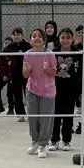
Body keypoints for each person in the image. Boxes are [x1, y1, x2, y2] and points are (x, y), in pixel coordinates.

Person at [22, 29, 58, 158]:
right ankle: (35, 141)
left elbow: (55, 73)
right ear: (31, 40)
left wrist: (47, 69)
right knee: (32, 117)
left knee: (45, 118)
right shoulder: (28, 54)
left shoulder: (49, 54)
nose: (37, 38)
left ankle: (43, 144)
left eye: (39, 36)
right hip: (32, 88)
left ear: (44, 40)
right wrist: (28, 70)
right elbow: (25, 74)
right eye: (34, 36)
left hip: (47, 90)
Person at [52, 27, 81, 151]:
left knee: (68, 116)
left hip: (71, 89)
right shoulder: (53, 52)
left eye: (68, 38)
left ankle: (66, 141)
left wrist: (80, 90)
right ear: (59, 38)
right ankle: (54, 140)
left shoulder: (78, 53)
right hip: (55, 88)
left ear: (72, 39)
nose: (65, 40)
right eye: (63, 37)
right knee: (55, 116)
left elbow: (81, 72)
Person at [1, 26, 30, 119]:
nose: (16, 36)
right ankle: (20, 114)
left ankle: (31, 112)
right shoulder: (11, 46)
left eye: (18, 34)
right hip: (15, 73)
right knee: (17, 94)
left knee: (28, 93)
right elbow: (4, 51)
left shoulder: (27, 45)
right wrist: (10, 59)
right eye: (14, 35)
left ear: (22, 35)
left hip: (26, 73)